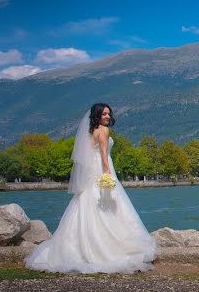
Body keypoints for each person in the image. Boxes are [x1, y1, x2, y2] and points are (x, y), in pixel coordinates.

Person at [25, 103, 157, 273]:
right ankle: (109, 247)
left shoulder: (91, 131)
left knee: (86, 202)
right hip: (102, 168)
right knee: (109, 203)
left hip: (91, 172)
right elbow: (103, 152)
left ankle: (79, 247)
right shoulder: (103, 130)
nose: (107, 117)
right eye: (104, 114)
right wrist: (108, 172)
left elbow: (87, 155)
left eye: (108, 114)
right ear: (98, 116)